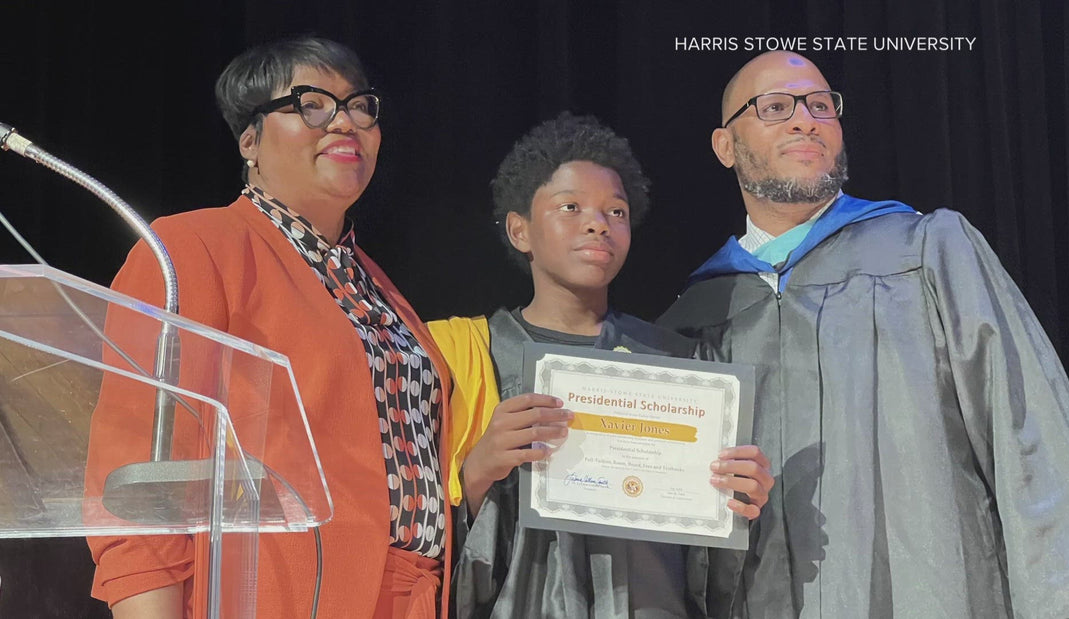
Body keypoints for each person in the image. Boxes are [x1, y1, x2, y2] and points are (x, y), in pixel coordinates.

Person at [658, 50, 1069, 618]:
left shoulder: (926, 251)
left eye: (820, 105)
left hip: (935, 591)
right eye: (775, 107)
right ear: (725, 146)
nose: (804, 119)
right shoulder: (698, 315)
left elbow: (1025, 421)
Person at [85, 36, 452, 618]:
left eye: (360, 106)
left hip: (411, 596)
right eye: (312, 104)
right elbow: (136, 476)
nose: (345, 123)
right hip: (275, 593)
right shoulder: (193, 249)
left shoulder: (381, 291)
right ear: (249, 141)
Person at [428, 112, 774, 618]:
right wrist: (480, 468)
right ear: (519, 230)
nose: (598, 223)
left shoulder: (676, 363)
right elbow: (420, 538)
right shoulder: (464, 355)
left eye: (616, 211)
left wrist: (740, 497)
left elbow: (706, 557)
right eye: (570, 206)